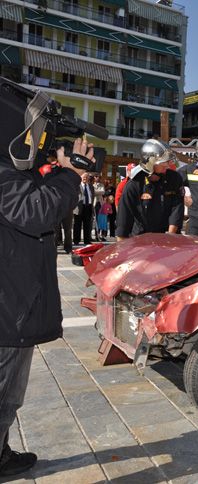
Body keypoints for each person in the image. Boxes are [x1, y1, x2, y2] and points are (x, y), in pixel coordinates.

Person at [0, 132, 93, 477]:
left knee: (7, 394)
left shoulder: (11, 173)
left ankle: (2, 453)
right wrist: (69, 174)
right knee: (5, 397)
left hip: (12, 304)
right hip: (9, 311)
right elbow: (37, 211)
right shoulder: (4, 174)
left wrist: (58, 169)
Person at [117, 139, 184, 240]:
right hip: (141, 240)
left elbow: (177, 208)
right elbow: (124, 219)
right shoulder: (134, 184)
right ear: (150, 163)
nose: (167, 165)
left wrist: (170, 237)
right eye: (163, 163)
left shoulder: (174, 179)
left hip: (168, 237)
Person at [73, 172, 94, 245]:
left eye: (86, 177)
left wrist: (92, 206)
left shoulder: (91, 186)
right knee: (77, 225)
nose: (85, 179)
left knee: (87, 225)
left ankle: (87, 240)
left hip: (88, 207)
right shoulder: (77, 186)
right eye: (84, 177)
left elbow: (92, 196)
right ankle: (76, 240)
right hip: (79, 207)